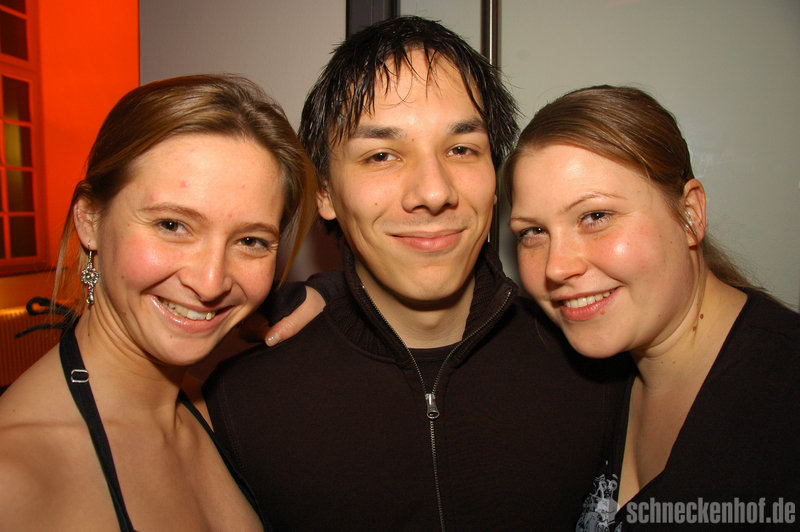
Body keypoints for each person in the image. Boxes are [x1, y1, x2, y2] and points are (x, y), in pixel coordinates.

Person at [204, 17, 629, 530]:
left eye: (461, 149)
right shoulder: (239, 404)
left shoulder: (598, 368)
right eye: (382, 155)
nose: (433, 191)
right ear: (326, 193)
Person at [0, 74, 316, 530]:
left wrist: (331, 298)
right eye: (172, 225)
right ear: (90, 220)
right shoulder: (17, 480)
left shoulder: (224, 411)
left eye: (250, 240)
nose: (210, 282)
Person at [505, 85, 800, 530]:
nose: (556, 267)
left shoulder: (785, 401)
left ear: (690, 214)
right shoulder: (592, 380)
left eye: (596, 216)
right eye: (532, 232)